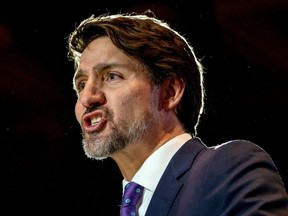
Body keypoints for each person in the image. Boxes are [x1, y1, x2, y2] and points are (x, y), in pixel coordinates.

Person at [66, 10, 288, 215]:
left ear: (170, 93)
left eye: (111, 76)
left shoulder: (226, 169)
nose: (87, 97)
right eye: (82, 84)